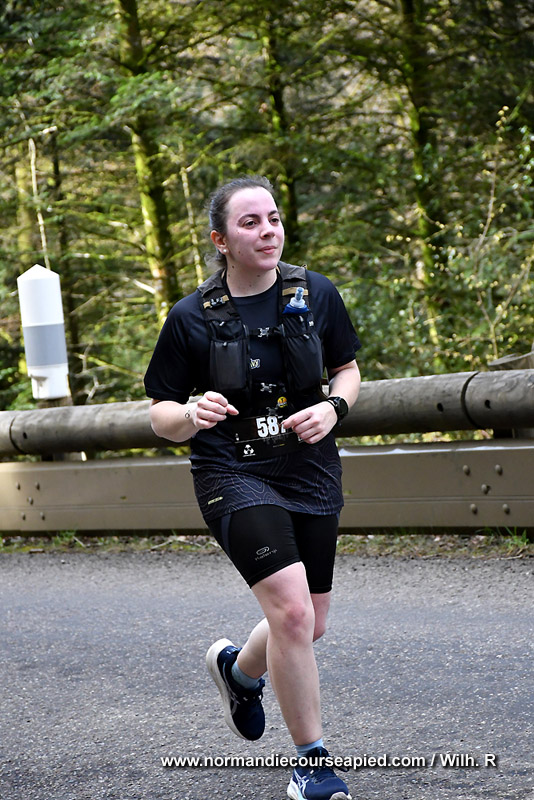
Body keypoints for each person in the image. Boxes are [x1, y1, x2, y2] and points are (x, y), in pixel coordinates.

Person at [144, 175, 361, 800]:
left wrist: (334, 409)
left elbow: (346, 370)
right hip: (231, 472)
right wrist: (191, 413)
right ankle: (312, 765)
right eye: (250, 223)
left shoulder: (316, 294)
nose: (268, 231)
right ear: (221, 241)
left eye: (273, 219)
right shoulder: (190, 317)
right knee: (290, 609)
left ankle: (239, 674)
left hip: (310, 468)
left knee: (310, 622)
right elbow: (159, 413)